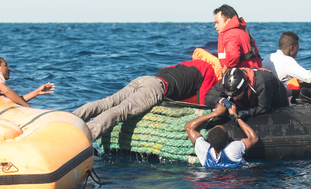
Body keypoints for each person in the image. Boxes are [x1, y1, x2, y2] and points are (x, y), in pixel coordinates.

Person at [73, 59, 219, 140]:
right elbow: (203, 104)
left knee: (108, 102)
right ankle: (84, 139)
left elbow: (162, 70)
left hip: (146, 79)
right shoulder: (209, 72)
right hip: (156, 89)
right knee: (120, 112)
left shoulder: (194, 64)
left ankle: (70, 119)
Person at [184, 100, 259, 168]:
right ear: (227, 141)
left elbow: (189, 127)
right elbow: (254, 138)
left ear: (208, 142)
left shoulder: (204, 153)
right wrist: (236, 116)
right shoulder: (232, 149)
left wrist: (215, 113)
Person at [204, 66, 289, 119]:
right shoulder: (227, 82)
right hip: (248, 102)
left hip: (274, 103)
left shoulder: (262, 83)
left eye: (236, 95)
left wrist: (246, 113)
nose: (234, 98)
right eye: (231, 95)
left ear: (245, 86)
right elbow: (209, 96)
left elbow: (263, 107)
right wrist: (222, 100)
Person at [213, 4, 262, 69]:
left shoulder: (230, 34)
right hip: (253, 72)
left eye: (217, 22)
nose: (215, 26)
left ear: (228, 21)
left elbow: (233, 55)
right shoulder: (243, 32)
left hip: (241, 75)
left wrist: (227, 66)